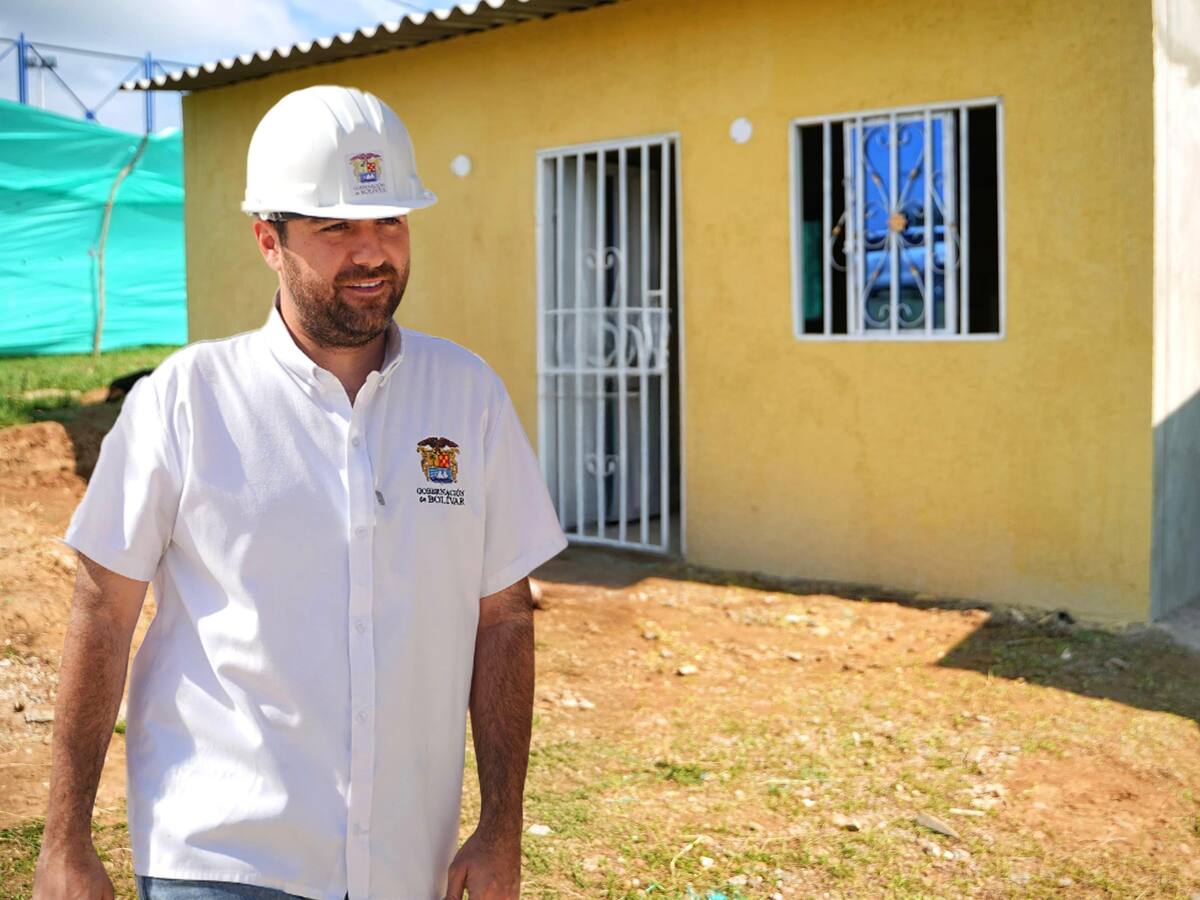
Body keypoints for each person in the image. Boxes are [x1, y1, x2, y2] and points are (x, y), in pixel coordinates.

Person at [32, 85, 567, 900]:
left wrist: (500, 830)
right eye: (336, 226)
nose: (372, 251)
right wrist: (65, 843)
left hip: (402, 868)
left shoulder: (469, 399)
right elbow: (101, 612)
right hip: (217, 859)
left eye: (389, 220)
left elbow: (503, 620)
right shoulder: (185, 400)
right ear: (267, 240)